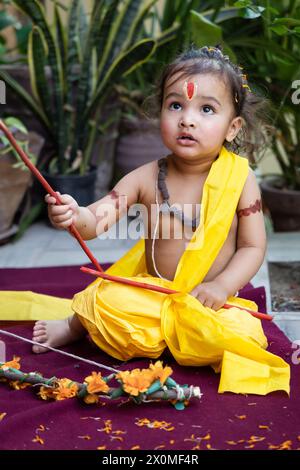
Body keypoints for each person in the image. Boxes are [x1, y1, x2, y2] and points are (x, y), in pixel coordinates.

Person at [30, 45, 289, 394]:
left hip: (207, 303)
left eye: (207, 109)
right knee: (102, 299)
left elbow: (253, 247)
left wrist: (221, 286)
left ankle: (165, 337)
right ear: (160, 114)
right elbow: (96, 221)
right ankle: (75, 327)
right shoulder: (144, 177)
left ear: (233, 127)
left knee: (245, 332)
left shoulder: (241, 180)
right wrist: (74, 213)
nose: (188, 118)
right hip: (152, 295)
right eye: (176, 105)